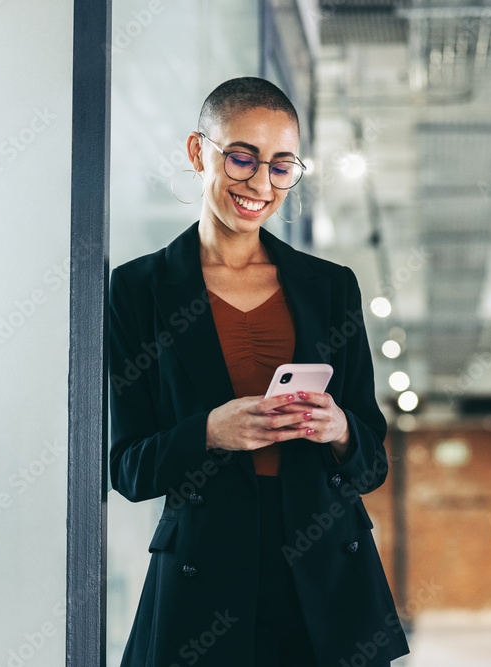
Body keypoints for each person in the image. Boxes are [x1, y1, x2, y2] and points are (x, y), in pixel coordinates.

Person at [109, 76, 410, 667]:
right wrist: (209, 432)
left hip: (326, 575)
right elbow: (128, 467)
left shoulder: (329, 287)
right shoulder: (139, 290)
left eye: (281, 166)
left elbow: (371, 461)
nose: (260, 184)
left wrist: (340, 429)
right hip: (205, 576)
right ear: (200, 152)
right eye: (242, 158)